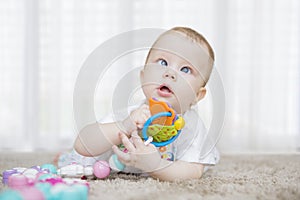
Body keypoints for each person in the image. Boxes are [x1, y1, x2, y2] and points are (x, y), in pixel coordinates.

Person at [57, 27, 219, 181]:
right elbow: (82, 144)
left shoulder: (193, 128)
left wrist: (156, 166)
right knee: (73, 159)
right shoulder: (131, 115)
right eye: (162, 62)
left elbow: (193, 170)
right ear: (143, 77)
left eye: (185, 70)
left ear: (197, 95)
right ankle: (64, 156)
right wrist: (124, 126)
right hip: (105, 164)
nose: (170, 74)